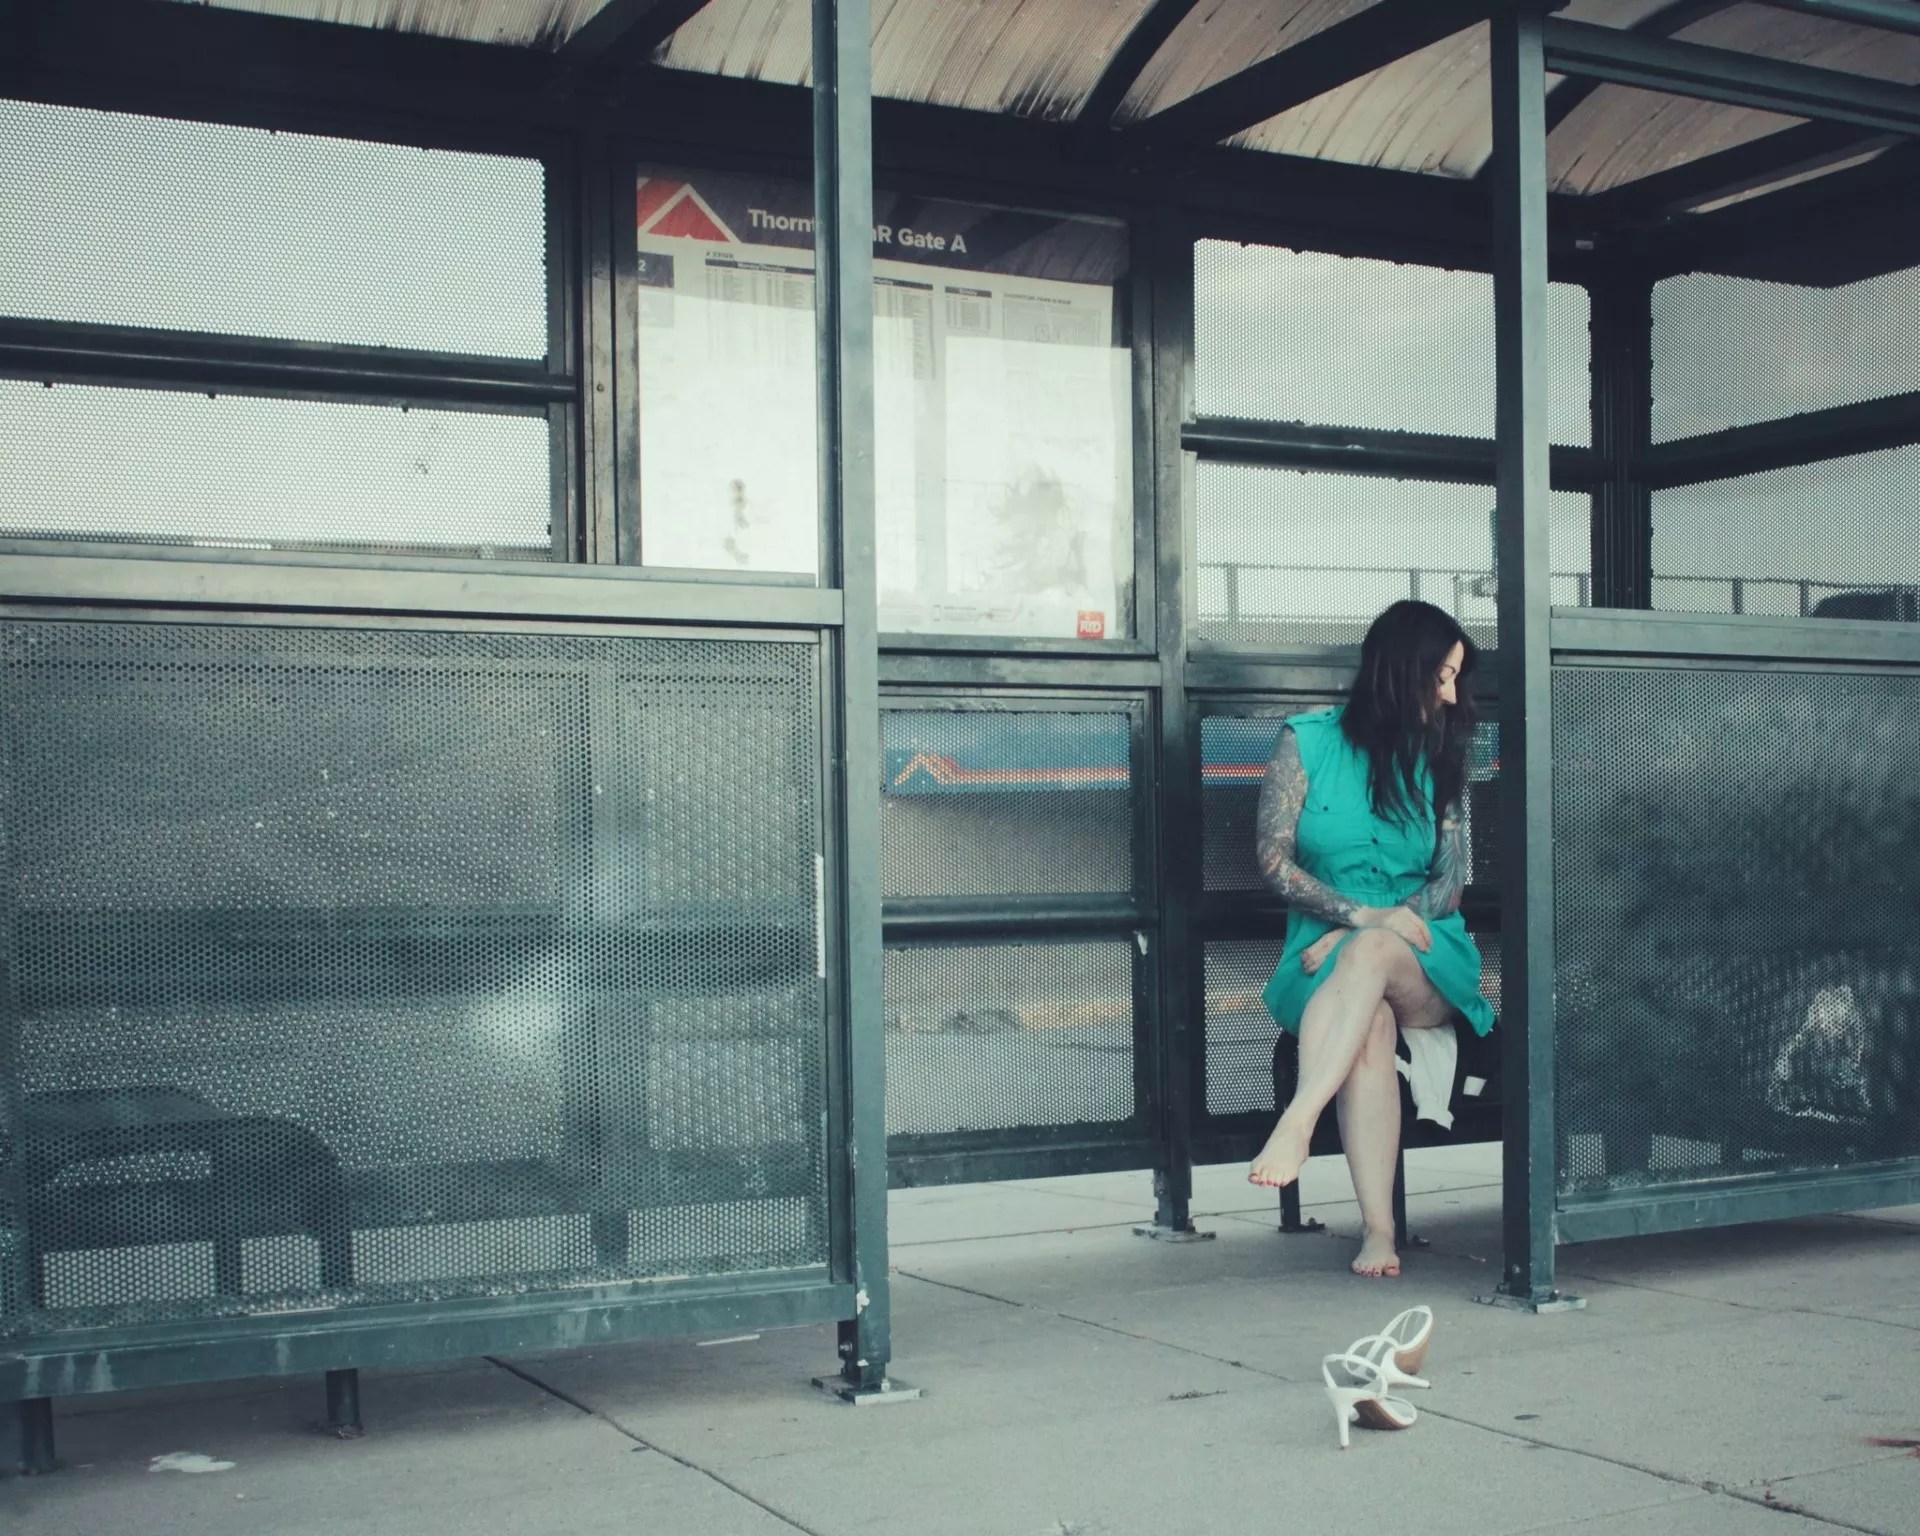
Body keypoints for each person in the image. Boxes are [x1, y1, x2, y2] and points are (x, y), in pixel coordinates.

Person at [1247, 599, 1494, 1279]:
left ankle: (1298, 1121)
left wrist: (1362, 932)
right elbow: (1272, 861)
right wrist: (1356, 919)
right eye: (1441, 677)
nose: (1451, 695)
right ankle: (1379, 1232)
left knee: (1373, 953)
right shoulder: (1306, 742)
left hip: (1426, 956)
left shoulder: (1444, 754)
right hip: (1318, 961)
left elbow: (1449, 884)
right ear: (1400, 670)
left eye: (1456, 679)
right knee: (1371, 1028)